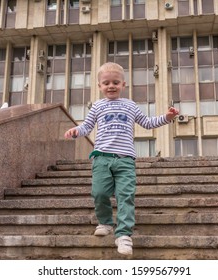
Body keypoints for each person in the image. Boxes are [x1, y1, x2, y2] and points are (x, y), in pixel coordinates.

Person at [64, 62, 179, 256]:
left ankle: (124, 234)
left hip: (125, 160)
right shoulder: (97, 106)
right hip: (101, 158)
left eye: (115, 82)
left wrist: (167, 117)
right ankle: (106, 222)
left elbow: (147, 122)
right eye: (106, 83)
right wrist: (76, 131)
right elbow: (87, 127)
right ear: (99, 86)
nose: (111, 86)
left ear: (123, 85)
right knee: (99, 193)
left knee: (126, 196)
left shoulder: (130, 105)